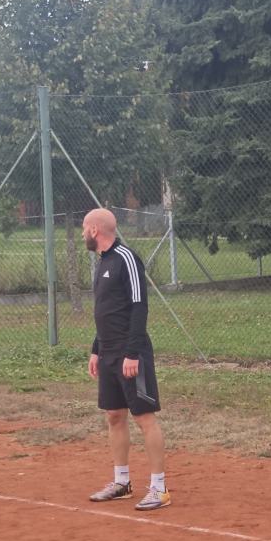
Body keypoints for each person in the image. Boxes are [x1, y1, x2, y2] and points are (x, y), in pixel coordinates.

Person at [82, 208, 171, 511]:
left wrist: (132, 353)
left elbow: (139, 306)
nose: (83, 234)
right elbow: (106, 312)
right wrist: (96, 349)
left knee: (144, 417)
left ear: (95, 230)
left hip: (130, 353)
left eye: (84, 228)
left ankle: (159, 488)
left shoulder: (126, 258)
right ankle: (122, 482)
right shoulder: (102, 263)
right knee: (114, 415)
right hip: (108, 353)